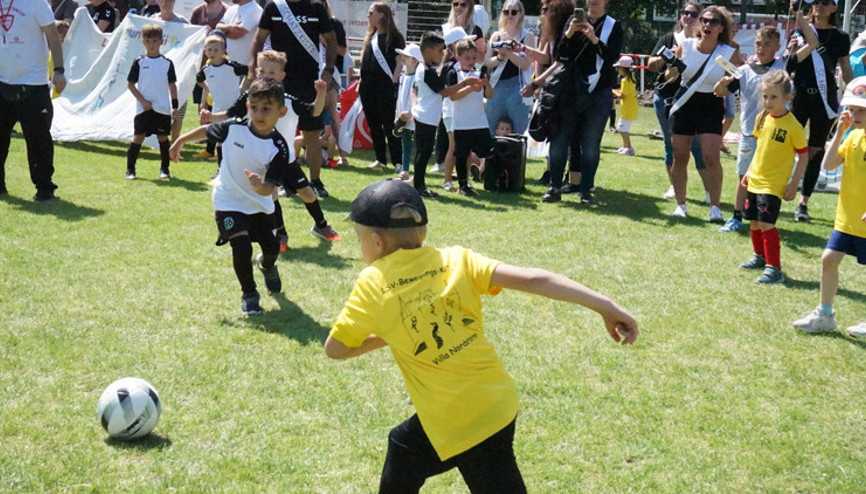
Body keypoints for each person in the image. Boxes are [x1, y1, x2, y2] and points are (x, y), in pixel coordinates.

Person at [324, 179, 638, 491]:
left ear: (377, 242)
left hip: (461, 418)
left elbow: (336, 349)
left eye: (359, 237)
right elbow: (534, 279)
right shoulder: (456, 259)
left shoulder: (372, 282)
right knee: (403, 446)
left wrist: (389, 332)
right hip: (495, 399)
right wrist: (605, 306)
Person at [169, 79, 293, 315]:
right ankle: (249, 294)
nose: (259, 113)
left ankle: (267, 265)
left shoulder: (279, 147)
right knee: (240, 244)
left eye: (267, 108)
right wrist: (180, 140)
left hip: (260, 204)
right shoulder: (234, 128)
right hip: (228, 200)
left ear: (281, 111)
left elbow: (270, 188)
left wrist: (261, 186)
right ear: (248, 106)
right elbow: (206, 131)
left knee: (271, 248)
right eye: (254, 106)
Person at [203, 50, 342, 248]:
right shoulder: (250, 98)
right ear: (257, 73)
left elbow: (314, 111)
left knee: (307, 193)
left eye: (272, 72)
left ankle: (321, 225)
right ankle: (281, 233)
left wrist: (320, 94)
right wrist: (211, 118)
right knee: (271, 195)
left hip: (286, 158)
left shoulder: (288, 100)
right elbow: (231, 115)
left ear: (281, 76)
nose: (267, 76)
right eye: (263, 72)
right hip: (259, 158)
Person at [715, 17, 816, 233]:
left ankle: (763, 215)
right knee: (744, 176)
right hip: (749, 132)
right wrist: (722, 83)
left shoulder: (785, 64)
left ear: (777, 47)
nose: (761, 48)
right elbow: (719, 92)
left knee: (767, 177)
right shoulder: (743, 71)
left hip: (775, 133)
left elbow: (813, 44)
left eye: (767, 44)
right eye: (759, 44)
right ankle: (736, 217)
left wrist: (800, 20)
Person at [526, 0, 623, 204]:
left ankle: (586, 190)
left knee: (590, 144)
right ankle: (554, 187)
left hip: (598, 92)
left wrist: (594, 39)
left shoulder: (613, 26)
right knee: (559, 140)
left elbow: (612, 57)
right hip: (569, 91)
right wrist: (569, 34)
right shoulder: (573, 20)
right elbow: (560, 55)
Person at [792, 76, 866, 336]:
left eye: (861, 110)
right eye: (852, 109)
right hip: (848, 218)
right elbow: (829, 164)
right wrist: (839, 133)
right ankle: (825, 314)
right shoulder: (854, 135)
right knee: (828, 260)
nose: (854, 114)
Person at [249, 0, 338, 199]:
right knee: (279, 133)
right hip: (277, 81)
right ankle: (281, 180)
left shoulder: (316, 8)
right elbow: (259, 38)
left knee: (312, 134)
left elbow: (331, 39)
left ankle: (315, 181)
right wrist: (252, 68)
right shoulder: (273, 7)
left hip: (308, 81)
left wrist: (329, 69)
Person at [666, 5, 740, 221]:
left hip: (711, 103)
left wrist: (725, 87)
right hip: (685, 101)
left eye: (713, 22)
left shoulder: (728, 51)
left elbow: (738, 78)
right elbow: (671, 76)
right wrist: (670, 66)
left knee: (710, 156)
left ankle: (715, 207)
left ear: (721, 27)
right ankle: (681, 204)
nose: (707, 25)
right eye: (704, 20)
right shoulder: (685, 45)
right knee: (680, 156)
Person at [734, 71, 808, 284]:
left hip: (773, 185)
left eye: (773, 97)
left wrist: (794, 184)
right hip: (755, 179)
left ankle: (774, 269)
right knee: (755, 222)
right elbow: (760, 148)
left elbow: (803, 157)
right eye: (765, 96)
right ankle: (759, 257)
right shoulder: (762, 119)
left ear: (788, 97)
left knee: (767, 224)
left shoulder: (793, 126)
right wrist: (748, 172)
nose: (767, 101)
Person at [787, 0, 853, 222]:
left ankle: (803, 202)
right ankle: (779, 190)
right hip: (799, 96)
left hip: (825, 100)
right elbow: (790, 63)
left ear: (835, 8)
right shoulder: (800, 30)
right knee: (787, 145)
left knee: (816, 150)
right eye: (816, 2)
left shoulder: (841, 37)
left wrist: (854, 98)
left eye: (826, 2)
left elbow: (845, 69)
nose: (819, 6)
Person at [0, 0, 66, 201]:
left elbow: (53, 37)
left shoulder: (37, 3)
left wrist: (59, 71)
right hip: (3, 82)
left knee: (38, 140)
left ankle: (45, 187)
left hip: (33, 84)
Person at [647, 1, 712, 201]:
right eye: (685, 13)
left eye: (693, 14)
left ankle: (710, 191)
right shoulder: (670, 38)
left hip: (695, 100)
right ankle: (675, 187)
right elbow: (651, 65)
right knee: (671, 145)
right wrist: (666, 59)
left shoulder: (705, 42)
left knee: (698, 148)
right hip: (667, 99)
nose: (688, 17)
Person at [410, 32, 479, 199]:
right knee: (424, 153)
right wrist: (465, 83)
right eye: (440, 50)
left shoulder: (425, 68)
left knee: (424, 152)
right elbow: (446, 91)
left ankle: (420, 184)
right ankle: (418, 186)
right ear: (428, 51)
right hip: (426, 117)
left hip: (427, 117)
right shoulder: (427, 71)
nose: (442, 54)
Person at [125, 23, 179, 180]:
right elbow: (130, 85)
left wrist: (174, 106)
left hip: (161, 108)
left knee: (162, 138)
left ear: (161, 42)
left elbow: (172, 85)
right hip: (144, 109)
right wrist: (142, 101)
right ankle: (130, 170)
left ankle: (165, 169)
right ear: (143, 42)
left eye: (155, 41)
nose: (152, 45)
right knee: (138, 137)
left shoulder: (167, 63)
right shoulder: (139, 62)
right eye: (148, 41)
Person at [445, 38, 494, 197]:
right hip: (461, 122)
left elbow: (490, 95)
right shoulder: (454, 73)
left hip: (479, 121)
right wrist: (469, 87)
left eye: (474, 57)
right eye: (467, 58)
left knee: (489, 150)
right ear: (458, 57)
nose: (471, 61)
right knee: (461, 154)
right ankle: (463, 184)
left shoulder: (480, 72)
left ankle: (492, 177)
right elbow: (453, 97)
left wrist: (486, 85)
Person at [359, 2, 405, 172]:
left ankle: (397, 161)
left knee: (389, 124)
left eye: (372, 12)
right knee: (373, 123)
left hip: (385, 86)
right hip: (367, 86)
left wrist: (395, 78)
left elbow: (400, 60)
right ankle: (380, 158)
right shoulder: (372, 36)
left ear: (382, 15)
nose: (368, 15)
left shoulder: (395, 37)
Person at [196, 32, 248, 171]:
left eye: (216, 50)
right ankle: (221, 170)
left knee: (235, 139)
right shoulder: (206, 69)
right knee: (220, 139)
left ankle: (237, 168)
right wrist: (208, 88)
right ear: (205, 51)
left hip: (234, 107)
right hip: (218, 108)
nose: (212, 53)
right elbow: (199, 80)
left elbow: (249, 72)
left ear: (223, 51)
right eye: (209, 50)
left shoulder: (231, 66)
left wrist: (242, 87)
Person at [485, 0, 536, 135]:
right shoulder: (496, 36)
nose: (510, 15)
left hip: (517, 88)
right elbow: (487, 62)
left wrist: (508, 52)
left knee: (518, 132)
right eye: (506, 12)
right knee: (493, 130)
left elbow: (526, 64)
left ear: (521, 14)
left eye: (514, 12)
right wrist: (500, 57)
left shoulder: (527, 36)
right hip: (497, 87)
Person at [394, 44, 423, 182]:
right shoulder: (403, 76)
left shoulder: (419, 77)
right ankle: (405, 170)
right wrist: (397, 113)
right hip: (402, 115)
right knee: (405, 143)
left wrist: (412, 112)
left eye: (407, 56)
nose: (403, 58)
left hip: (414, 117)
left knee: (418, 145)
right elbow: (400, 97)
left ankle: (417, 173)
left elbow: (419, 98)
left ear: (415, 60)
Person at [216, 0, 262, 67]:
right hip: (229, 64)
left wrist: (224, 32)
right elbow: (218, 27)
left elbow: (237, 34)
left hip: (245, 65)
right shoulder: (231, 9)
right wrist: (230, 27)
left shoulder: (255, 9)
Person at [612, 55, 638, 156]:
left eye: (619, 68)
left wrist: (612, 92)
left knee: (622, 128)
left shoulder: (625, 81)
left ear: (623, 69)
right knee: (623, 128)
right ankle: (625, 146)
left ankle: (629, 148)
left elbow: (622, 95)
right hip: (630, 108)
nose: (618, 70)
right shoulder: (631, 79)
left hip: (628, 109)